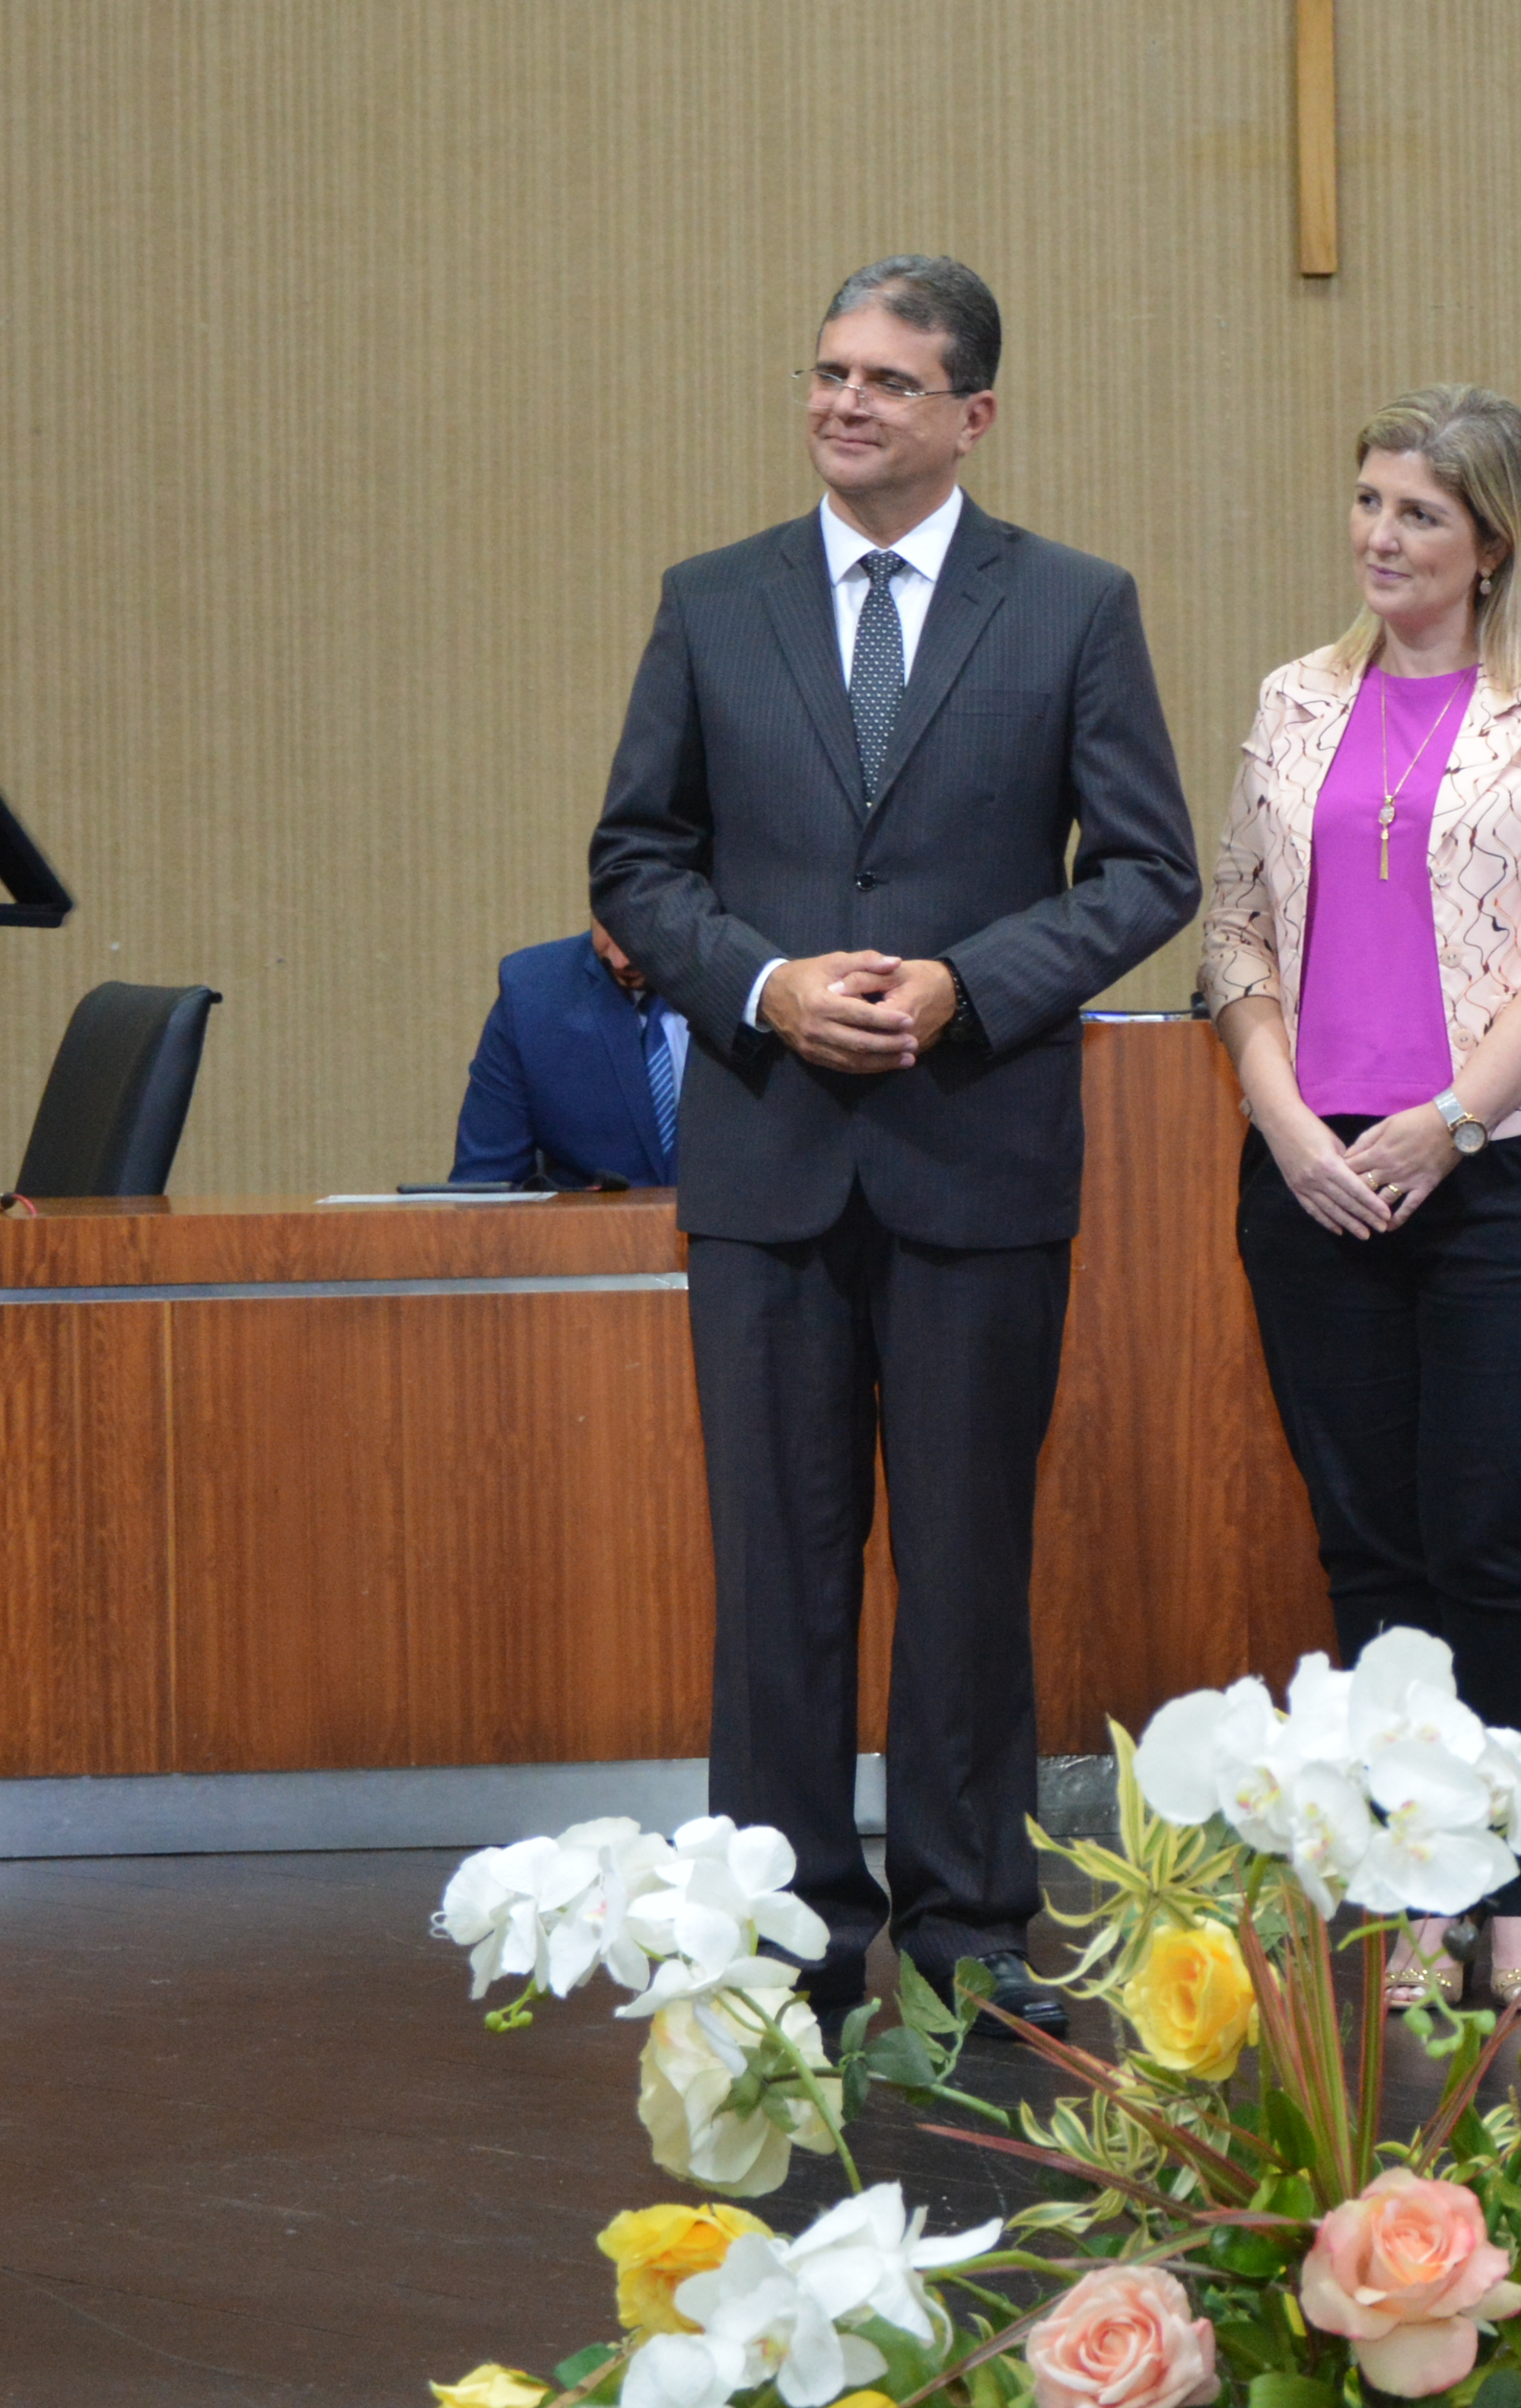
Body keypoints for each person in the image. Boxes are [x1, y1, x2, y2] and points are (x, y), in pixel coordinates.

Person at [591, 256, 1199, 2031]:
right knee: (775, 1569)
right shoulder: (713, 602)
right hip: (769, 1155)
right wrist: (768, 984)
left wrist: (965, 982)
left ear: (972, 415)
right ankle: (777, 1926)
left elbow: (1147, 867)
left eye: (888, 380)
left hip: (973, 1147)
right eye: (829, 371)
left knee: (965, 1560)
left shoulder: (1072, 605)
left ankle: (968, 1931)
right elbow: (639, 858)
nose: (846, 402)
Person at [1195, 387, 1521, 2016]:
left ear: (1491, 544)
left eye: (1420, 516)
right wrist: (1286, 1120)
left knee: (1494, 1537)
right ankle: (1413, 1884)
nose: (1381, 537)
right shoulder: (1292, 698)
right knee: (1371, 1545)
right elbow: (1234, 938)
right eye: (1370, 500)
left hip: (1512, 1172)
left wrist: (1449, 1121)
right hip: (1314, 1177)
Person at [453, 922, 686, 1188]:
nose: (619, 960)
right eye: (608, 920)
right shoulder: (531, 992)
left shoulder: (742, 982)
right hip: (596, 1229)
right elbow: (482, 1192)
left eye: (643, 924)